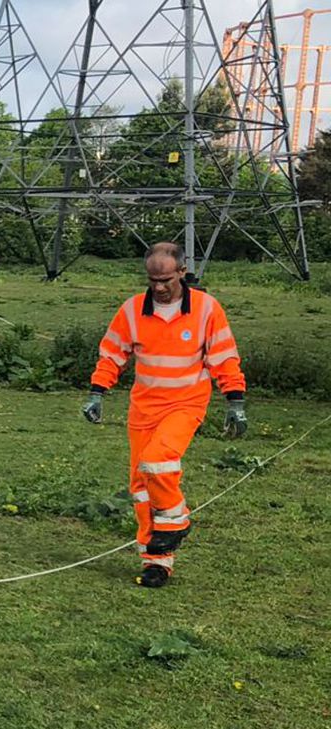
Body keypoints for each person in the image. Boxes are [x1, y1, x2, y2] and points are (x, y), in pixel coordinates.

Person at [81, 242, 248, 588]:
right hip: (144, 407)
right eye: (153, 279)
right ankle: (156, 561)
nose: (158, 286)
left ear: (183, 273)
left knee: (158, 462)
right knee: (140, 487)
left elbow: (223, 357)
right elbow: (112, 354)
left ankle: (176, 523)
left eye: (166, 279)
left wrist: (235, 400)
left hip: (186, 404)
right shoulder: (131, 310)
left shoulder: (206, 309)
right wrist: (97, 392)